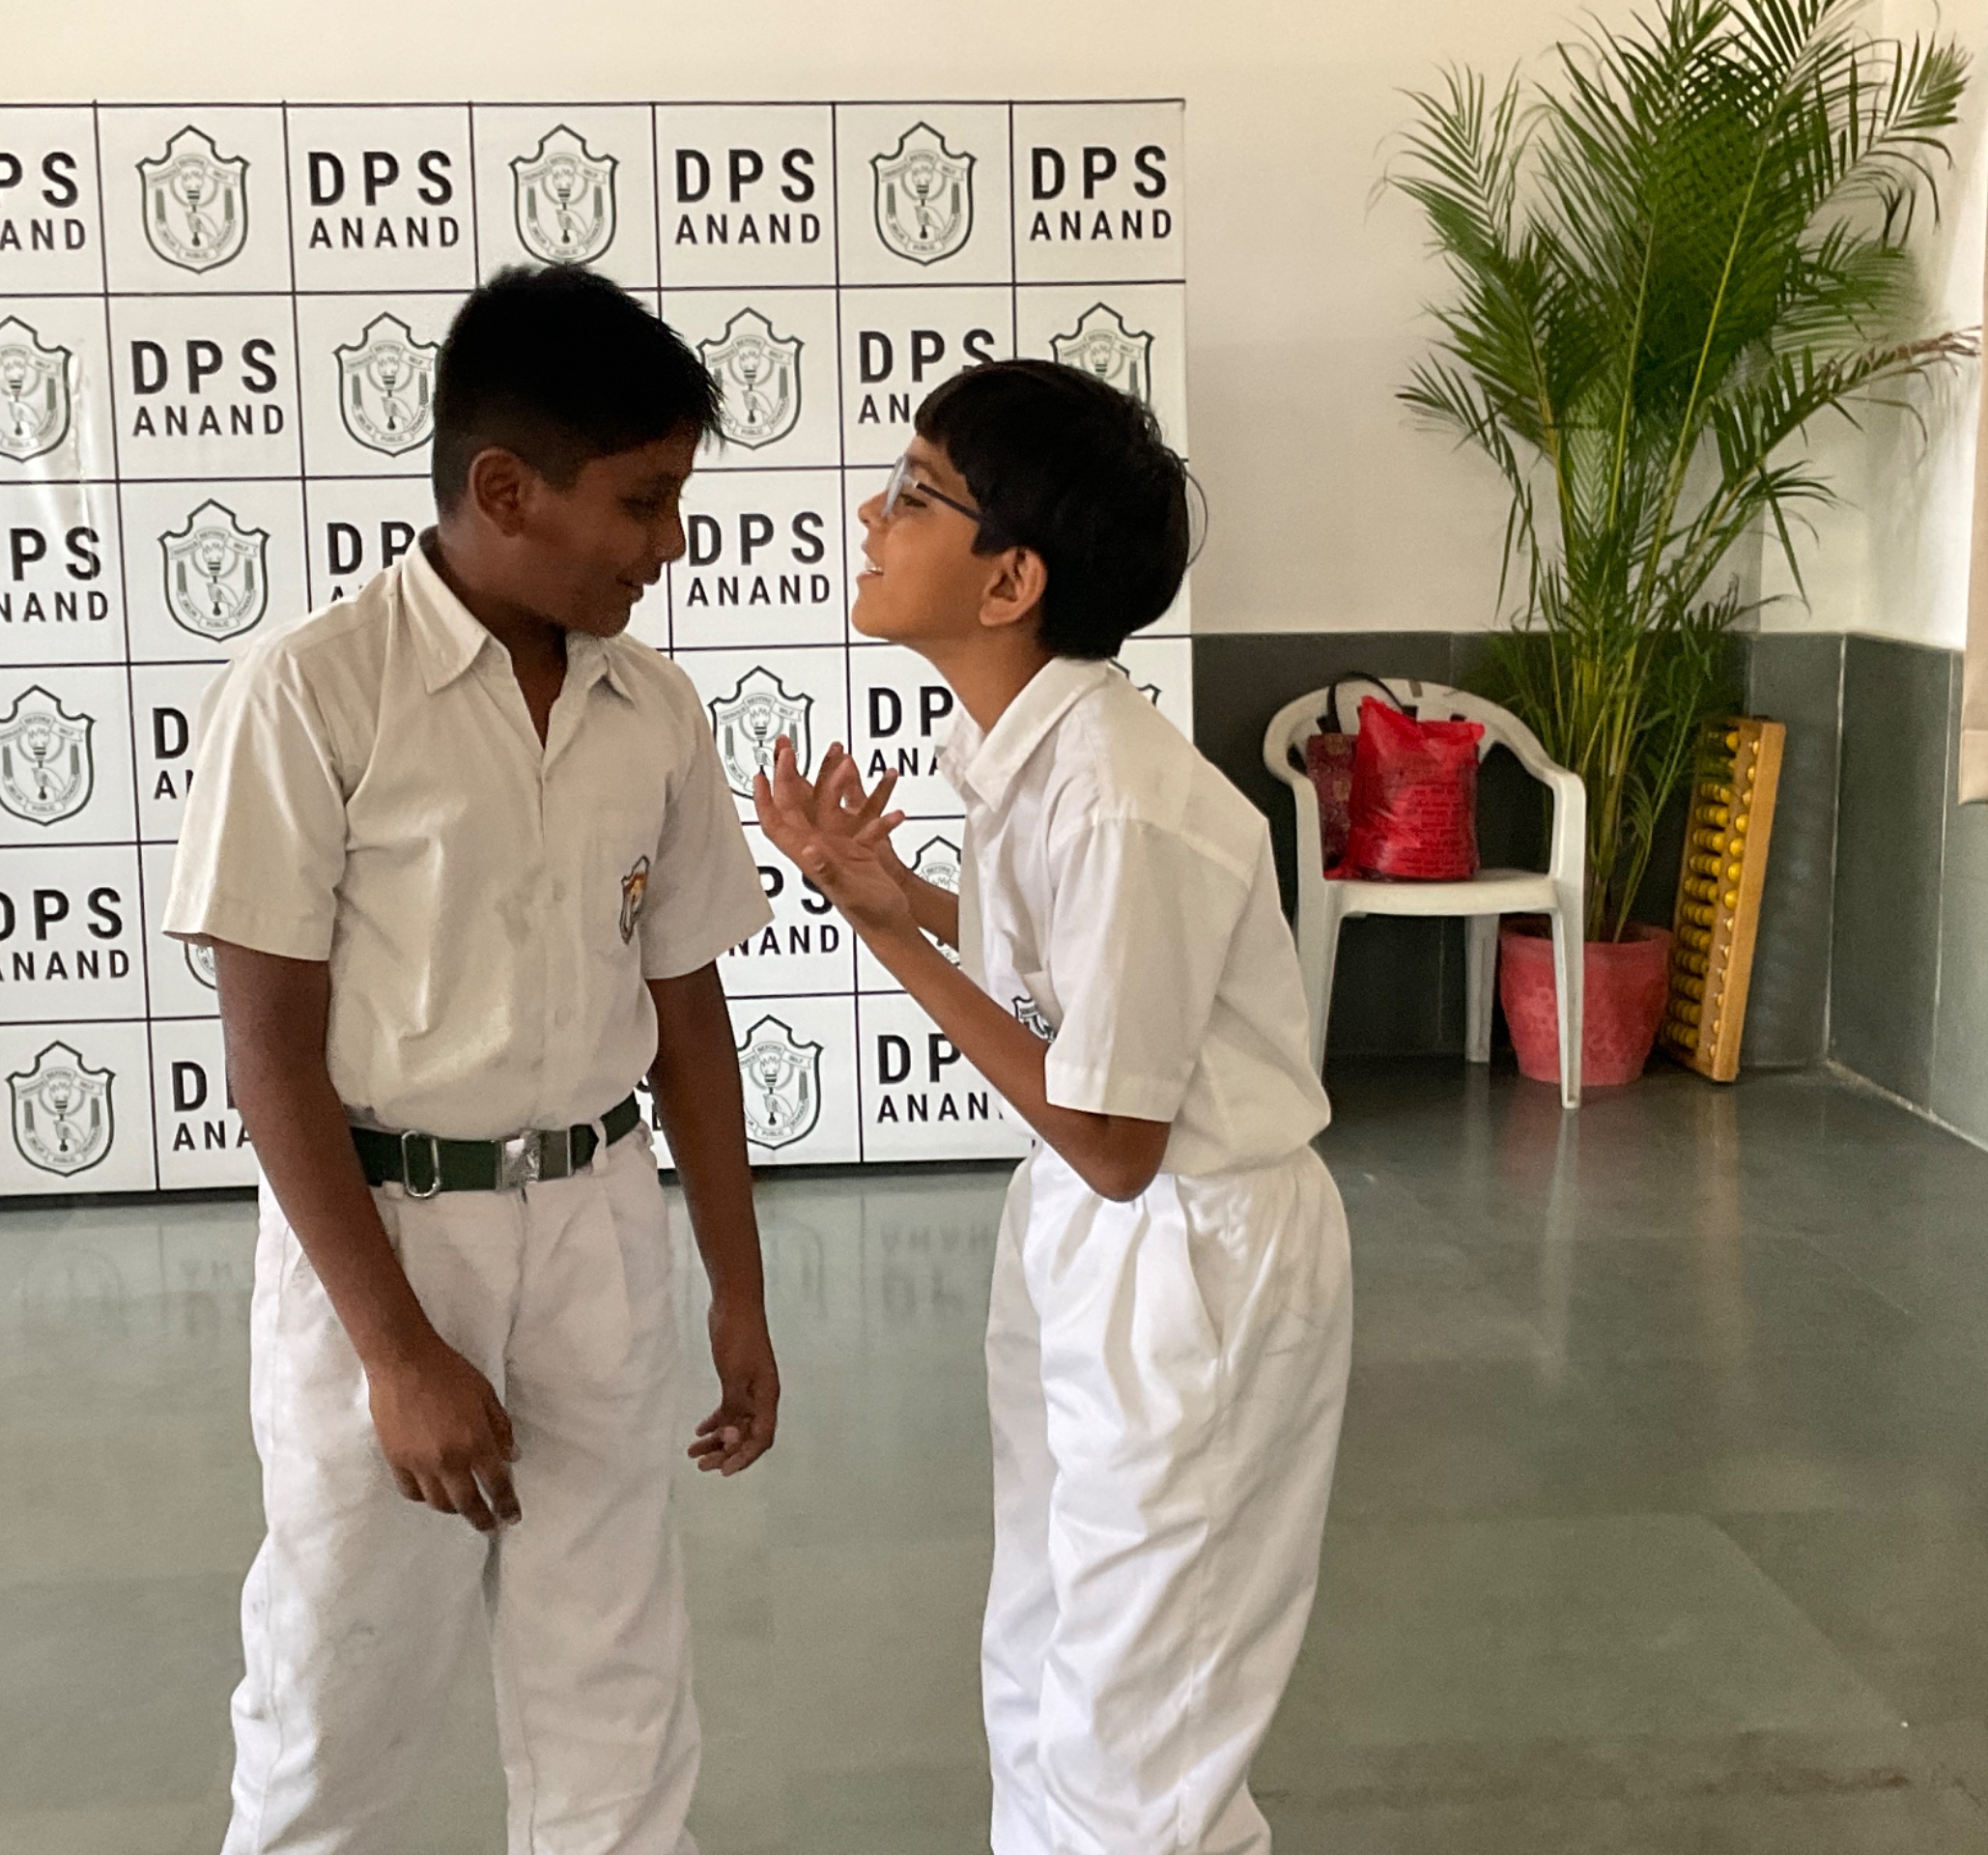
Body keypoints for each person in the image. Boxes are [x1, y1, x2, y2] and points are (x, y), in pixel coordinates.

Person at [164, 264, 780, 1855]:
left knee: (614, 1669)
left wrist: (737, 1286)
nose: (669, 543)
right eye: (642, 502)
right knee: (342, 1666)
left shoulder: (652, 709)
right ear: (505, 489)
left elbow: (688, 1011)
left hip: (596, 1218)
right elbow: (270, 1057)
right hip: (387, 1233)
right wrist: (395, 1353)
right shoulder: (313, 694)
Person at [753, 359, 1352, 1855]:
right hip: (1104, 1234)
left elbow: (1112, 1135)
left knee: (1142, 1718)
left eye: (915, 495)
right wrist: (903, 895)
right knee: (1044, 1652)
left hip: (1189, 1244)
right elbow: (1078, 974)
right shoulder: (1037, 751)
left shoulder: (1116, 798)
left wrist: (887, 935)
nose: (872, 517)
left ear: (1011, 578)